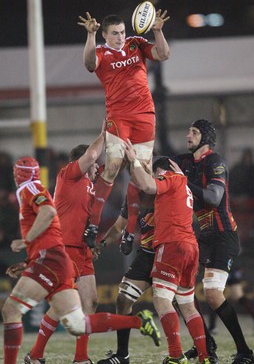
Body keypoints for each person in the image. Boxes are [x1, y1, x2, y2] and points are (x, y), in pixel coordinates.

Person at [2, 156, 161, 364]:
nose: (97, 168)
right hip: (64, 253)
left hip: (63, 255)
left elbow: (48, 215)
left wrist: (26, 241)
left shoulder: (33, 188)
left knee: (15, 310)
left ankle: (42, 357)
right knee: (77, 321)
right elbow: (51, 226)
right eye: (94, 165)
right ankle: (136, 322)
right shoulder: (71, 178)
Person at [77, 9, 170, 250]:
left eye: (122, 32)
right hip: (119, 116)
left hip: (145, 116)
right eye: (115, 34)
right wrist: (90, 35)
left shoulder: (136, 44)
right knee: (113, 167)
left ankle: (129, 231)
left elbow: (163, 54)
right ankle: (93, 223)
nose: (120, 37)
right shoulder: (100, 53)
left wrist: (158, 31)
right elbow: (88, 64)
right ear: (105, 36)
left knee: (142, 171)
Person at [173, 119, 254, 364]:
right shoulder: (186, 161)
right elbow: (161, 163)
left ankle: (245, 352)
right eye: (188, 130)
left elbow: (213, 196)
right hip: (204, 237)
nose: (188, 135)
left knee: (211, 293)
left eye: (194, 132)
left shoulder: (215, 162)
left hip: (223, 236)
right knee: (180, 290)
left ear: (206, 138)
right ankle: (206, 344)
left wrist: (182, 182)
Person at [123, 142, 212, 364]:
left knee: (162, 300)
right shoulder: (184, 184)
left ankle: (175, 356)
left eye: (156, 174)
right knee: (188, 305)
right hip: (190, 247)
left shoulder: (169, 179)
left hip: (172, 245)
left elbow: (149, 185)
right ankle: (204, 357)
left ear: (161, 172)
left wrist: (134, 159)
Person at [24, 127, 105, 364]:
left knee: (89, 302)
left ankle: (77, 358)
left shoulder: (91, 187)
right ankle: (37, 354)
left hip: (82, 250)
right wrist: (105, 133)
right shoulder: (68, 175)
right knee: (64, 305)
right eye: (94, 163)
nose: (97, 166)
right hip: (65, 248)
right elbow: (91, 156)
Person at [94, 191, 156, 364]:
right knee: (123, 299)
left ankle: (204, 347)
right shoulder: (132, 196)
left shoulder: (163, 189)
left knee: (179, 303)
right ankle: (123, 355)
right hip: (146, 255)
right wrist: (101, 244)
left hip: (167, 253)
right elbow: (118, 226)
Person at [207, 263, 254, 335]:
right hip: (231, 265)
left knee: (213, 296)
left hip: (222, 266)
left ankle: (212, 327)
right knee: (237, 296)